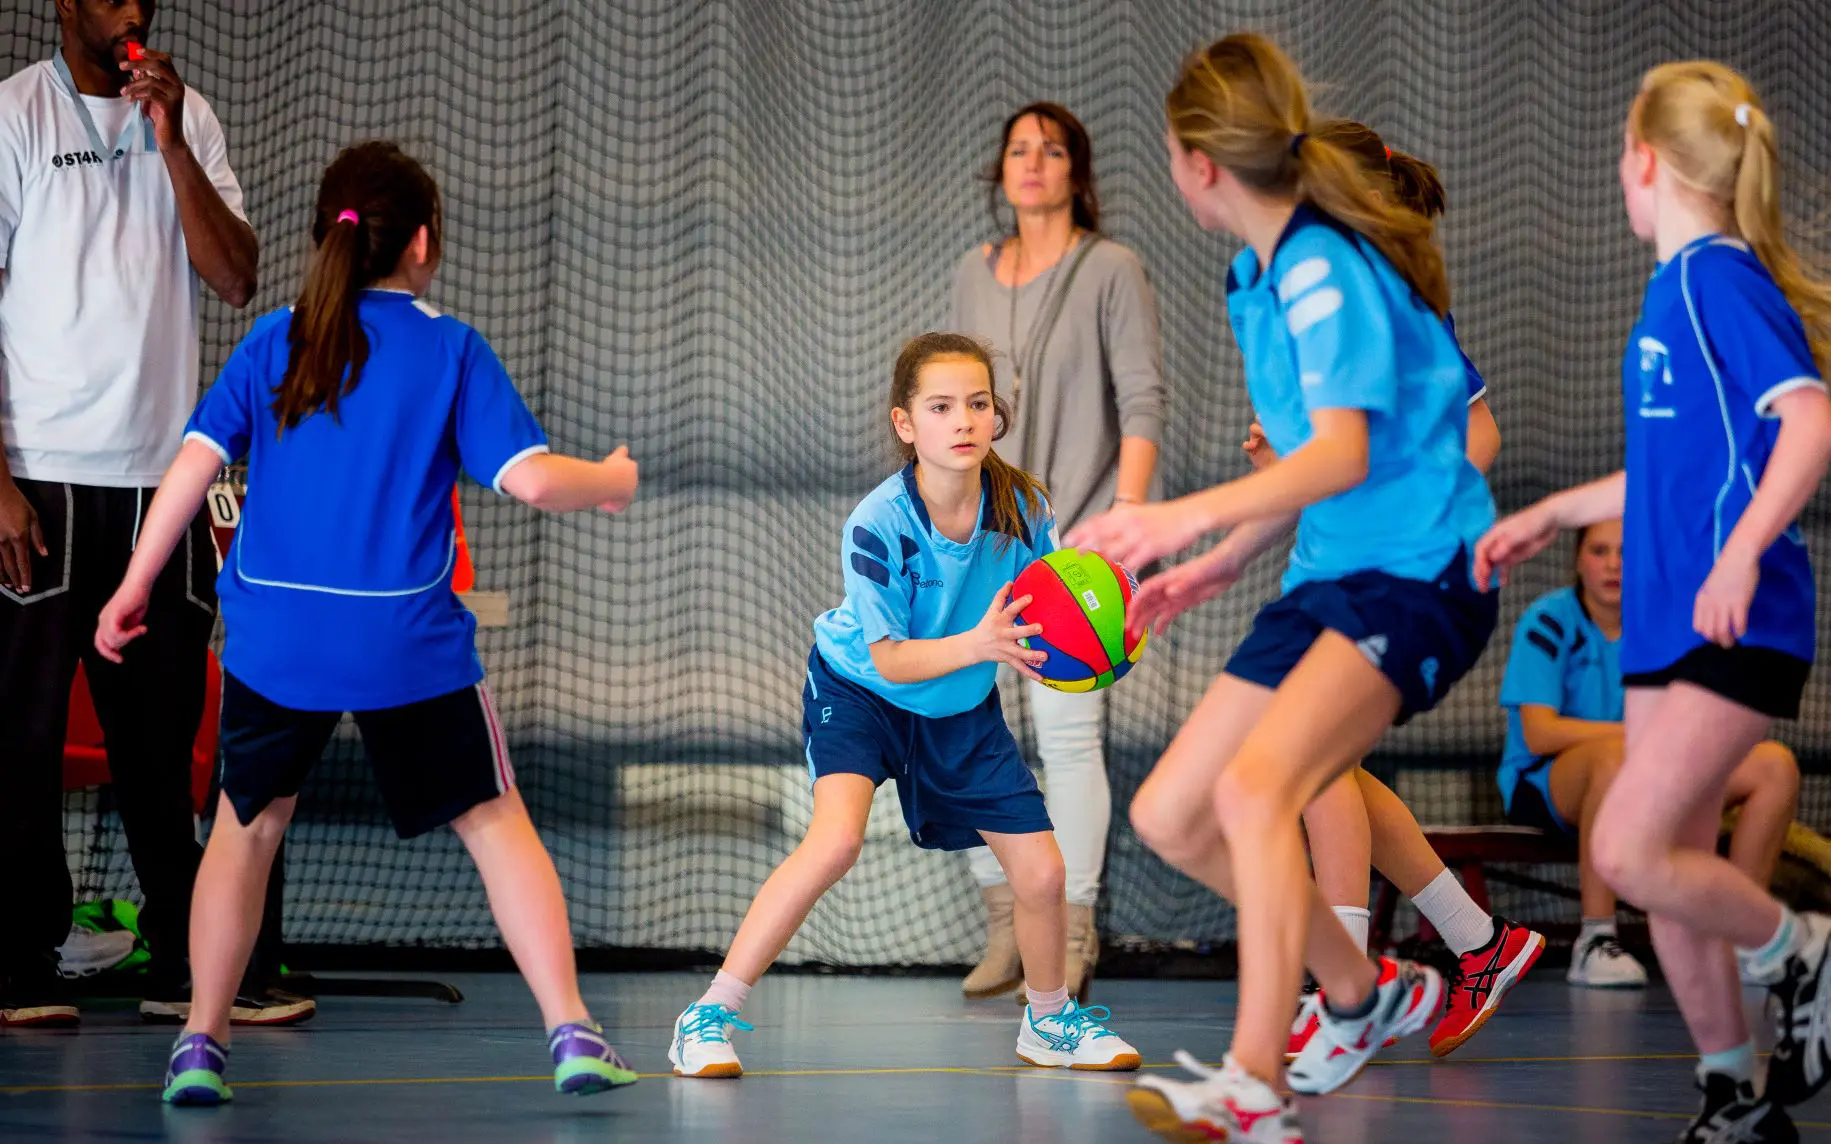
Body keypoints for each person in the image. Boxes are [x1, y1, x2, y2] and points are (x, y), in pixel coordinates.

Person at [93, 140, 643, 1105]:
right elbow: (531, 479)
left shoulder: (275, 338)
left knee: (244, 831)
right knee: (496, 822)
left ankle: (197, 1045)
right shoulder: (450, 347)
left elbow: (190, 466)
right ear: (422, 243)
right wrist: (613, 479)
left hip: (277, 644)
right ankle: (572, 1032)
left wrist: (133, 581)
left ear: (326, 236)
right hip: (405, 646)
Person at [1069, 34, 1501, 1143]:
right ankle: (1363, 992)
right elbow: (1305, 458)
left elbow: (1348, 454)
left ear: (1195, 162)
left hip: (1416, 574)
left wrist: (1177, 515)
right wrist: (1208, 566)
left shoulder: (1319, 265)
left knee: (1257, 792)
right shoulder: (1255, 275)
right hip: (1336, 573)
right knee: (1171, 811)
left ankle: (1258, 1077)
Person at [1476, 60, 1831, 1142]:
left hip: (1734, 618)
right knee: (1665, 862)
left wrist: (1741, 553)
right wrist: (1552, 511)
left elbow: (1810, 420)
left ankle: (1801, 952)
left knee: (1627, 850)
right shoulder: (1668, 295)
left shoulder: (1719, 279)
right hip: (1674, 627)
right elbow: (1666, 476)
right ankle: (1731, 1087)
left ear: (1641, 162)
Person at [667, 332, 1139, 1079]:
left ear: (995, 416)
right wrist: (984, 643)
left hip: (958, 705)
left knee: (1045, 875)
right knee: (835, 843)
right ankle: (708, 1016)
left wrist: (1105, 635)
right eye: (941, 406)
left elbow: (1056, 609)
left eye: (977, 404)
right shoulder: (878, 521)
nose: (963, 420)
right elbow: (888, 657)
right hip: (860, 692)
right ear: (905, 424)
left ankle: (1048, 1022)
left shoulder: (1021, 507)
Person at [1249, 117, 1543, 1063]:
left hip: (1387, 567)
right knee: (1324, 769)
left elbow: (1476, 431)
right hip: (1325, 556)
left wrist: (1426, 501)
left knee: (1311, 766)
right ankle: (1473, 942)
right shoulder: (1315, 295)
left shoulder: (1393, 297)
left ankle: (1346, 990)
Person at [0, 0, 266, 1027]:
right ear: (65, 4)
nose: (133, 12)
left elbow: (235, 276)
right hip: (42, 477)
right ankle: (24, 959)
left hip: (164, 486)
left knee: (161, 741)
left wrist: (171, 145)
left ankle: (179, 962)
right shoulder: (17, 114)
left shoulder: (186, 117)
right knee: (19, 735)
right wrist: (1, 483)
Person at [950, 101, 1166, 1000]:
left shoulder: (1110, 266)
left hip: (1074, 539)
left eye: (1050, 150)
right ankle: (1007, 920)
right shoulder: (973, 270)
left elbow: (1143, 403)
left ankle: (1071, 931)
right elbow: (951, 400)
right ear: (1000, 173)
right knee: (956, 727)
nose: (1031, 162)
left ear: (1077, 171)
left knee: (1068, 741)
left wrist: (1123, 527)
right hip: (975, 536)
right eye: (1016, 150)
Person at [1498, 519, 1800, 990]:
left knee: (1774, 766)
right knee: (1614, 757)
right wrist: (1635, 735)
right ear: (1578, 560)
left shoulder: (1664, 622)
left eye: (1625, 551)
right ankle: (1595, 941)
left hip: (1647, 770)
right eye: (1599, 551)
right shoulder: (1549, 619)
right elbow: (1539, 733)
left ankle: (1742, 936)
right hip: (1546, 783)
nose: (1613, 564)